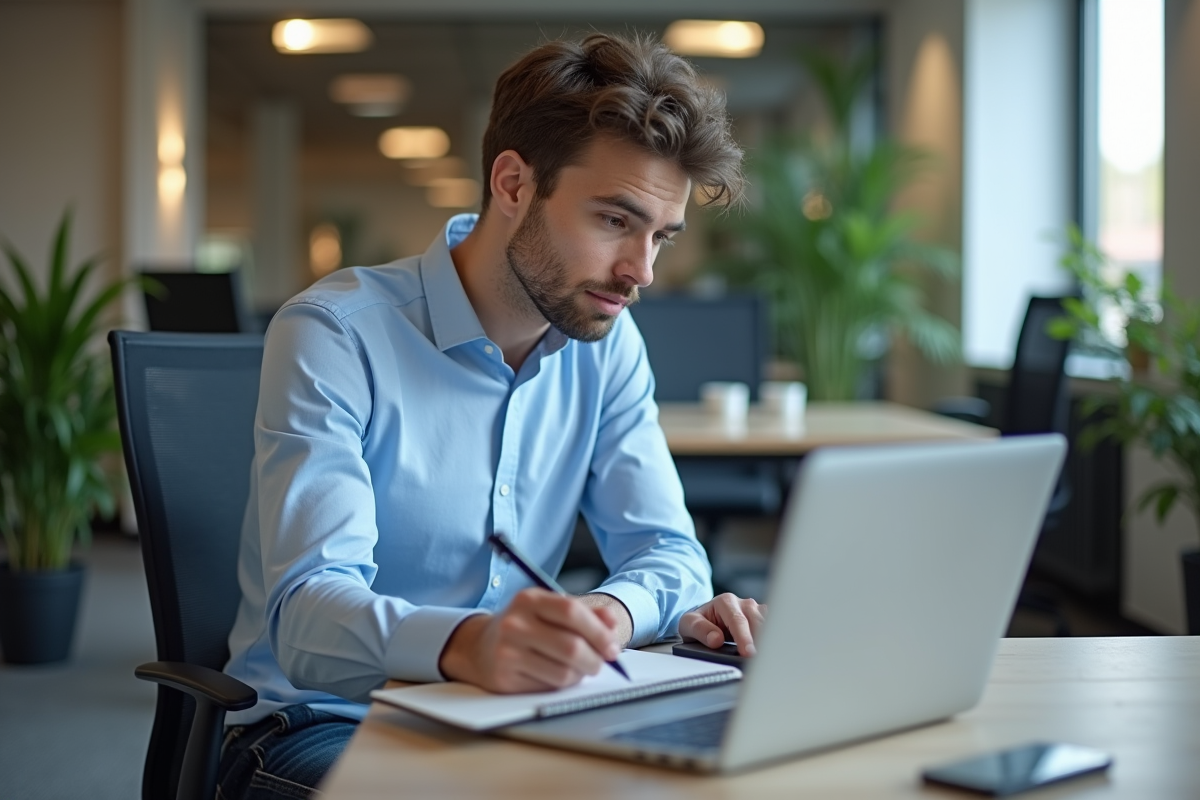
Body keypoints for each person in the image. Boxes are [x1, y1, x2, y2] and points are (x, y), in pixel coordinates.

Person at [217, 31, 767, 798]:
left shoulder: (604, 342)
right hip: (324, 723)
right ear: (512, 184)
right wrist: (472, 645)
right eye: (615, 220)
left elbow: (673, 558)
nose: (641, 271)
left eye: (660, 237)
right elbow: (309, 622)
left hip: (515, 714)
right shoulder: (336, 332)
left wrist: (606, 615)